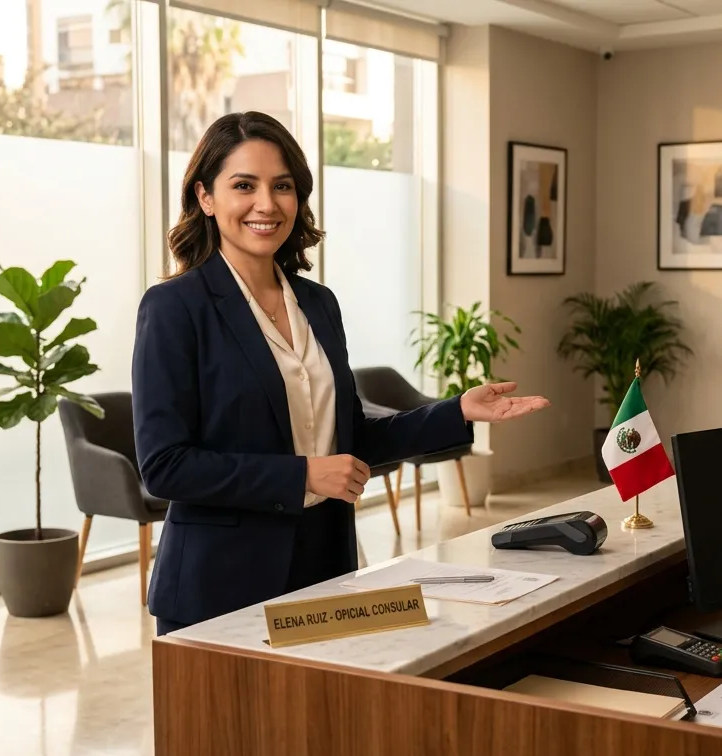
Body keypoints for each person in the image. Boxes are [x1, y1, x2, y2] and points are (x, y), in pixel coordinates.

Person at [132, 112, 550, 635]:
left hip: (322, 571)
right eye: (244, 185)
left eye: (282, 186)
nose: (266, 204)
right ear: (205, 197)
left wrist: (457, 411)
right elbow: (165, 466)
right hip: (218, 586)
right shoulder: (174, 307)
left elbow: (351, 441)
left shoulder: (318, 304)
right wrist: (303, 476)